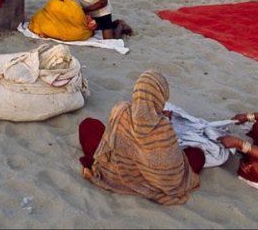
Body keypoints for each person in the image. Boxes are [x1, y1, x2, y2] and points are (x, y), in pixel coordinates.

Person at [81, 69, 204, 205]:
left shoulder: (120, 109)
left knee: (88, 125)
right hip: (147, 178)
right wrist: (161, 119)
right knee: (197, 155)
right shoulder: (163, 127)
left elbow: (110, 138)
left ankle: (92, 166)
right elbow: (171, 172)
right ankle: (139, 181)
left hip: (116, 169)